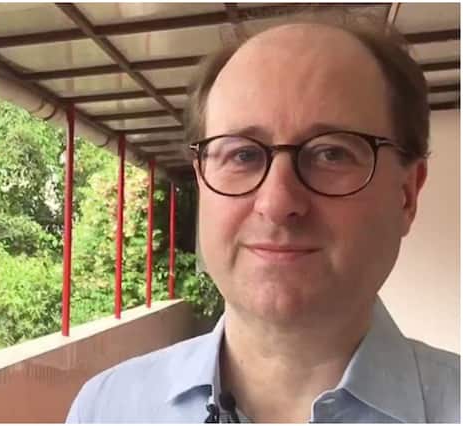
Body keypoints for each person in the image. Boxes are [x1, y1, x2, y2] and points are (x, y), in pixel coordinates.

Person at [66, 15, 460, 423]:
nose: (277, 202)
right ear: (201, 182)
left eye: (332, 153)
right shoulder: (106, 410)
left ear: (406, 194)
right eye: (243, 154)